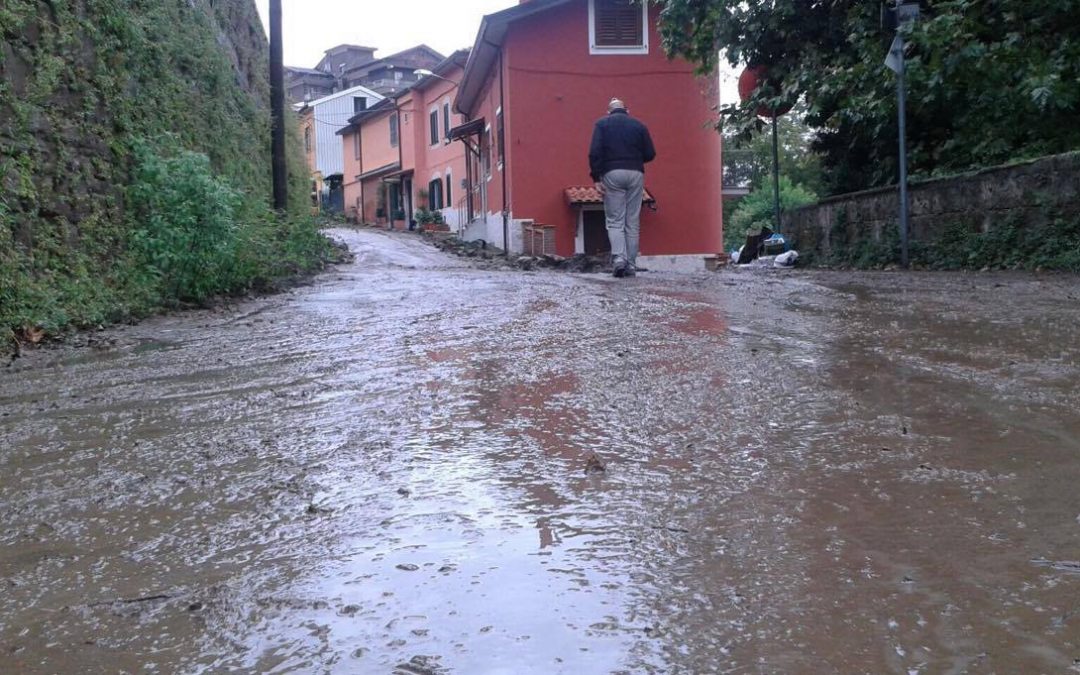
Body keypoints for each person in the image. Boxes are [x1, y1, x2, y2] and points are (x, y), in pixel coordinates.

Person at [588, 98, 656, 277]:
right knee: (632, 220)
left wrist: (596, 177)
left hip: (612, 173)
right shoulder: (639, 126)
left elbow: (595, 152)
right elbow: (650, 153)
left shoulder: (602, 124)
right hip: (635, 173)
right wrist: (634, 159)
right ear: (627, 110)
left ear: (608, 111)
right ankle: (631, 265)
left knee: (615, 220)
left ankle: (619, 259)